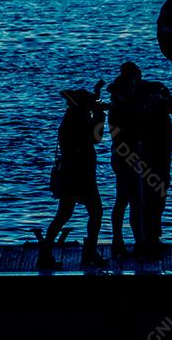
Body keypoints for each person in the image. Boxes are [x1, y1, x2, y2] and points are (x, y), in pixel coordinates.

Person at [39, 82, 108, 270]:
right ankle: (90, 253)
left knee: (63, 215)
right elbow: (96, 137)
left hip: (70, 172)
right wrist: (100, 115)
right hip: (81, 173)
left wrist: (95, 109)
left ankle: (45, 253)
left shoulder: (72, 116)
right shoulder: (79, 118)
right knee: (95, 212)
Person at [135, 76, 172, 258]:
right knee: (152, 196)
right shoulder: (147, 93)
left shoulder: (148, 92)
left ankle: (151, 237)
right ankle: (147, 238)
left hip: (157, 154)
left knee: (155, 195)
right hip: (150, 154)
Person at [107, 62, 144, 258]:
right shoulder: (122, 108)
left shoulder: (118, 106)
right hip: (126, 157)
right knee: (132, 200)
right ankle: (133, 241)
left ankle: (120, 240)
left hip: (124, 156)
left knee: (124, 200)